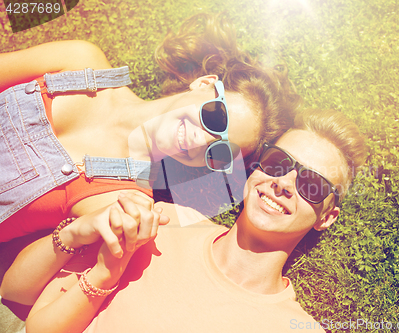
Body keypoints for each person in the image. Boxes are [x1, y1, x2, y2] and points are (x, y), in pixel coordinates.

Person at [1, 109, 367, 332]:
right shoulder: (164, 220)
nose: (283, 184)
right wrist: (77, 234)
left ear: (327, 217)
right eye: (277, 164)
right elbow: (15, 294)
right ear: (257, 168)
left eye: (311, 185)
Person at [0, 13, 301, 243]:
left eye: (219, 149)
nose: (202, 138)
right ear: (205, 84)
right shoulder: (81, 62)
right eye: (216, 118)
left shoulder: (123, 199)